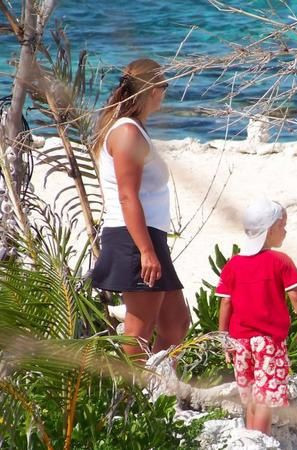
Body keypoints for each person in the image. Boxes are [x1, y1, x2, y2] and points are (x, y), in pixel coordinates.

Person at [91, 58, 190, 360]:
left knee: (175, 324)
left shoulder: (135, 129)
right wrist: (146, 250)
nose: (165, 92)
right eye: (163, 86)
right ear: (151, 90)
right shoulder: (127, 132)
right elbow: (126, 197)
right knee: (139, 328)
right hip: (134, 237)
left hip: (148, 237)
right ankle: (127, 395)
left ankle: (150, 383)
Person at [216, 198, 297, 436]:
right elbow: (296, 297)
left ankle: (252, 437)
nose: (285, 231)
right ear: (270, 230)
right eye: (282, 226)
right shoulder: (280, 261)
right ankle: (261, 440)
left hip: (239, 341)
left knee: (250, 395)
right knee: (266, 398)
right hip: (269, 342)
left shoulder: (233, 264)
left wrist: (223, 337)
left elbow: (226, 301)